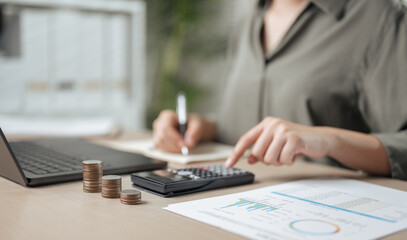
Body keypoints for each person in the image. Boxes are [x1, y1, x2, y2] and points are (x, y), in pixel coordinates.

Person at [152, 0, 407, 180]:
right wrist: (203, 127)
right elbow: (258, 126)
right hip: (233, 203)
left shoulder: (381, 17)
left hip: (324, 209)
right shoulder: (249, 17)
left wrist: (328, 139)